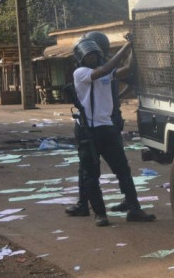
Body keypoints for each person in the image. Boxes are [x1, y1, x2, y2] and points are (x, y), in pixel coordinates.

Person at [71, 35, 155, 226]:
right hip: (88, 130)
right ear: (81, 59)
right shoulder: (81, 73)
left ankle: (134, 209)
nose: (91, 58)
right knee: (91, 175)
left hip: (106, 128)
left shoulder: (104, 72)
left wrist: (132, 50)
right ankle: (100, 214)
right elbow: (106, 69)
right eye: (88, 56)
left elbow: (127, 70)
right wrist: (127, 46)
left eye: (94, 55)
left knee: (123, 170)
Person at [64, 32, 127, 217]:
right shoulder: (90, 71)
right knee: (97, 170)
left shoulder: (104, 68)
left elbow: (119, 75)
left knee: (97, 169)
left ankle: (86, 205)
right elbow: (109, 74)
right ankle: (108, 209)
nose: (92, 55)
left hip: (104, 123)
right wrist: (128, 47)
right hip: (99, 123)